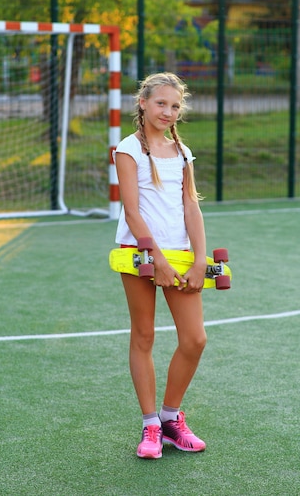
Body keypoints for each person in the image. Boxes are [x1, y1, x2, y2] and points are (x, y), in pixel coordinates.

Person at [114, 72, 208, 459]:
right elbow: (133, 213)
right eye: (160, 104)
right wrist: (157, 260)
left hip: (181, 256)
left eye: (174, 106)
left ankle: (171, 420)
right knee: (144, 336)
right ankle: (150, 425)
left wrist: (200, 259)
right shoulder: (127, 149)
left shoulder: (182, 153)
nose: (167, 112)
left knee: (195, 339)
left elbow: (191, 206)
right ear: (142, 103)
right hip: (139, 254)